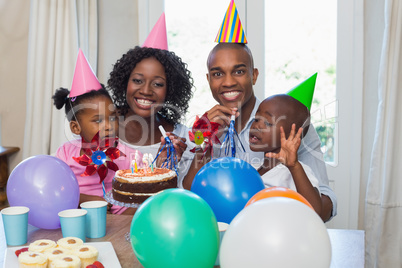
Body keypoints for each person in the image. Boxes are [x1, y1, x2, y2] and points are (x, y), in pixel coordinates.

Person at [183, 42, 337, 222]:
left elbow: (323, 201)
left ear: (254, 75)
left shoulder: (289, 127)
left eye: (239, 71)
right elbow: (189, 195)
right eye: (218, 74)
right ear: (209, 80)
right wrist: (206, 138)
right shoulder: (202, 129)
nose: (228, 82)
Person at [107, 45, 194, 185]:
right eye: (137, 81)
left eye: (158, 84)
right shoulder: (100, 126)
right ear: (124, 82)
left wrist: (165, 169)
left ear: (170, 90)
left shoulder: (182, 138)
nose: (146, 91)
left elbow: (184, 195)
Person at [53, 86, 143, 215]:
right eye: (98, 120)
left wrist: (120, 220)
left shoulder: (131, 157)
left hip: (122, 218)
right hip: (81, 217)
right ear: (75, 127)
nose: (108, 126)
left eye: (113, 118)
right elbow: (58, 190)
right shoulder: (65, 153)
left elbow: (142, 197)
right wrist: (87, 201)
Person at [249, 94, 322, 214]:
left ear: (290, 136)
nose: (257, 126)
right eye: (256, 119)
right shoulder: (254, 167)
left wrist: (294, 167)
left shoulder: (297, 171)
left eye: (267, 123)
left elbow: (315, 211)